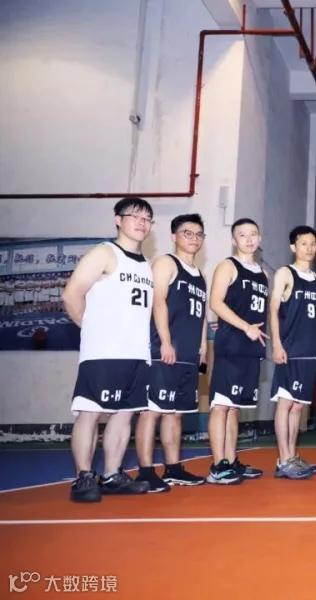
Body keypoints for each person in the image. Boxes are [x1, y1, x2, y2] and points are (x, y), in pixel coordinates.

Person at [62, 197, 155, 502]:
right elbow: (71, 295)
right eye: (135, 216)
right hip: (104, 351)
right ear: (118, 220)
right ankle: (84, 477)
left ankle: (112, 475)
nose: (142, 223)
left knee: (124, 414)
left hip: (136, 353)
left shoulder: (145, 264)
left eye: (147, 219)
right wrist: (91, 329)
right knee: (91, 412)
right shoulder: (104, 252)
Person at [134, 214, 209, 493]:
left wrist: (203, 348)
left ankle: (174, 468)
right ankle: (145, 472)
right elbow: (158, 302)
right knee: (152, 411)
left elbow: (202, 316)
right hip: (164, 350)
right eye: (187, 233)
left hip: (189, 354)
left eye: (199, 234)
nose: (194, 238)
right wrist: (165, 342)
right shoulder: (166, 263)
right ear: (174, 236)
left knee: (175, 413)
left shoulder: (200, 275)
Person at [206, 218, 268, 484]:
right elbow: (215, 302)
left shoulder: (263, 274)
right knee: (221, 405)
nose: (249, 239)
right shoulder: (227, 266)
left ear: (259, 239)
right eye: (242, 235)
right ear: (234, 240)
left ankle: (231, 461)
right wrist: (245, 327)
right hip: (232, 343)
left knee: (234, 408)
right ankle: (218, 465)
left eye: (253, 234)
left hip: (251, 347)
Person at [268, 225, 316, 480]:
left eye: (313, 244)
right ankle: (283, 460)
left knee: (298, 407)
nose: (309, 248)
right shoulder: (285, 273)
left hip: (309, 350)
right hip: (289, 349)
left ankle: (292, 455)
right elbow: (273, 310)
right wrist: (277, 344)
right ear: (293, 247)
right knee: (286, 402)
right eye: (304, 243)